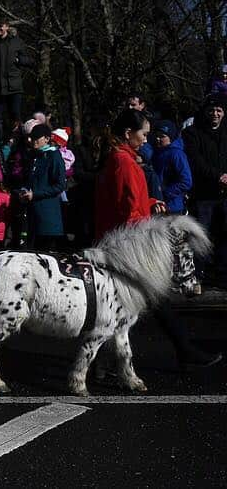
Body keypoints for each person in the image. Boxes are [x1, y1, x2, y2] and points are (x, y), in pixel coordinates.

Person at [97, 109, 221, 369]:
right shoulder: (125, 163)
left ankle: (103, 364)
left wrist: (151, 203)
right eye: (143, 134)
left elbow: (127, 204)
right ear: (129, 133)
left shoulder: (122, 159)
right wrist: (152, 235)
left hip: (119, 241)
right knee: (148, 301)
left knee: (132, 305)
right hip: (128, 245)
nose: (146, 139)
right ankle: (183, 350)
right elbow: (128, 214)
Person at [182, 94, 227, 284]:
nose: (215, 114)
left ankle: (223, 272)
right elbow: (195, 161)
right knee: (201, 235)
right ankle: (199, 273)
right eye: (211, 110)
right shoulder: (192, 132)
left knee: (225, 234)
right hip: (203, 194)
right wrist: (218, 176)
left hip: (225, 194)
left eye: (219, 110)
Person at [20, 123, 66, 249]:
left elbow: (60, 185)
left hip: (48, 221)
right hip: (33, 218)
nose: (32, 140)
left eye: (36, 137)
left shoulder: (54, 156)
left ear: (46, 139)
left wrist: (35, 194)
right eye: (31, 137)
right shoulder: (33, 156)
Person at [150, 119, 192, 216]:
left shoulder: (177, 154)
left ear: (171, 137)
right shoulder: (157, 152)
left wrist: (165, 193)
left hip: (173, 206)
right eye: (156, 136)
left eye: (162, 136)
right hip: (159, 204)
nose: (158, 139)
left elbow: (186, 181)